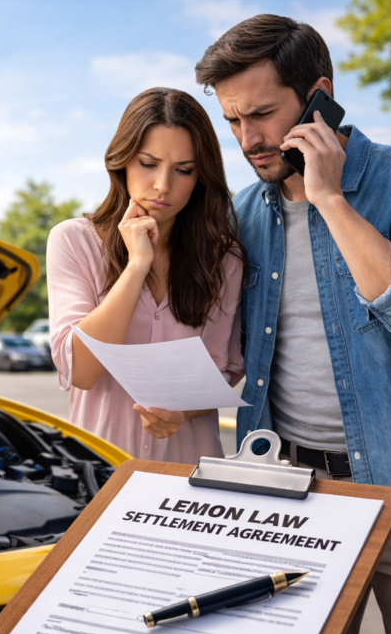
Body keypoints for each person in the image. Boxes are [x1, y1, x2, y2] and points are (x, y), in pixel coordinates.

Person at [196, 14, 391, 634]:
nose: (248, 140)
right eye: (232, 120)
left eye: (262, 114)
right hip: (291, 492)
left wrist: (330, 198)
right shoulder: (243, 212)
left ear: (319, 98)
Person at [47, 87, 244, 464]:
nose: (163, 186)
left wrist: (182, 412)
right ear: (122, 160)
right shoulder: (73, 241)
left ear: (200, 177)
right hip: (101, 470)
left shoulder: (223, 259)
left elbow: (221, 370)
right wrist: (137, 265)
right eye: (148, 164)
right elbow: (81, 371)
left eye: (183, 170)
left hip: (190, 471)